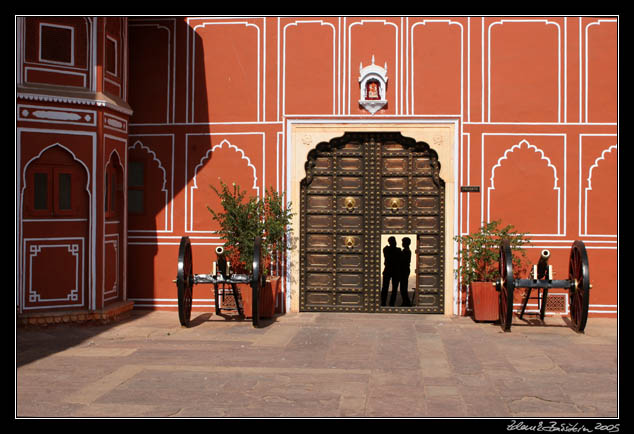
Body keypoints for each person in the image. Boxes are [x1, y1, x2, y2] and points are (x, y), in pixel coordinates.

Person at [381, 237, 401, 306]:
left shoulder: (386, 249)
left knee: (385, 288)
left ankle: (384, 303)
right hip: (394, 271)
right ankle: (390, 303)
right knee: (393, 289)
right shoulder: (397, 250)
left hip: (388, 270)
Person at [398, 237, 413, 307]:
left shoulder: (406, 251)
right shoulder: (406, 251)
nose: (402, 244)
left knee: (403, 288)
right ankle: (406, 302)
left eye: (403, 242)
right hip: (404, 270)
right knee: (403, 287)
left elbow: (403, 261)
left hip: (404, 270)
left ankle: (406, 302)